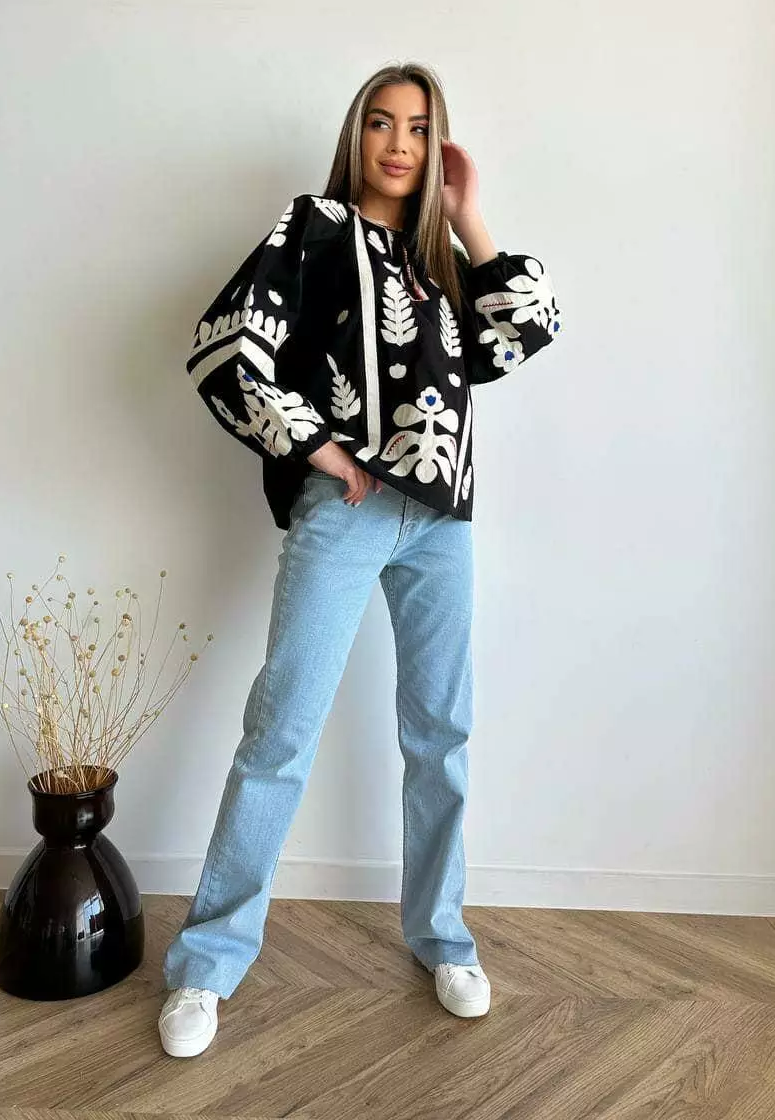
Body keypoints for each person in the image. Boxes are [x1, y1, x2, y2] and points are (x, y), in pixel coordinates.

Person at [158, 61, 562, 1057]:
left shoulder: (443, 263)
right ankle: (207, 965)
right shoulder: (312, 230)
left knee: (441, 733)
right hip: (346, 513)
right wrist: (317, 447)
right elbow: (223, 349)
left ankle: (443, 938)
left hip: (444, 521)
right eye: (381, 123)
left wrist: (469, 218)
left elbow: (528, 329)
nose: (398, 143)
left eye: (418, 128)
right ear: (356, 134)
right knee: (280, 729)